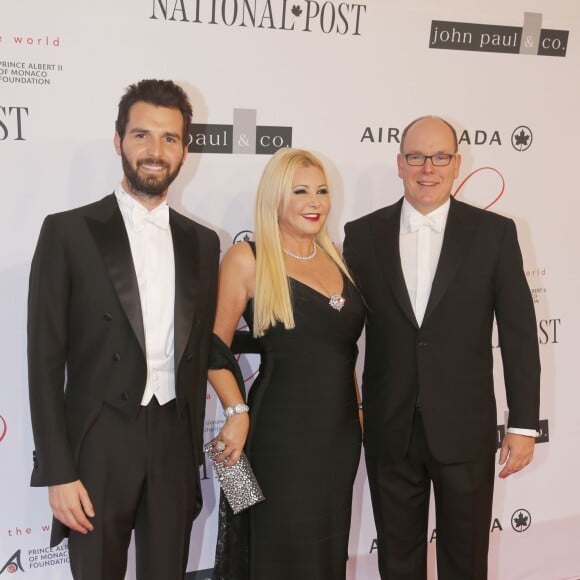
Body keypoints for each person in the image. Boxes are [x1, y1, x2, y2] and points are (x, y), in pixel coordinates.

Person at [27, 79, 219, 580]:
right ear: (119, 141)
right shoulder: (67, 232)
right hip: (98, 445)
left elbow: (203, 350)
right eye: (142, 136)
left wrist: (234, 412)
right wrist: (58, 471)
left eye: (169, 139)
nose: (155, 152)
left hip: (174, 444)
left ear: (185, 149)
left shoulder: (203, 243)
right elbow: (44, 363)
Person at [343, 116, 541, 580]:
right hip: (390, 428)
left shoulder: (494, 233)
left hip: (465, 429)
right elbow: (341, 329)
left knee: (466, 560)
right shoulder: (362, 234)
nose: (426, 168)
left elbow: (518, 331)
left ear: (456, 164)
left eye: (439, 157)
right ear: (399, 163)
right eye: (415, 156)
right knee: (398, 560)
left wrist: (525, 425)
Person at [207, 148, 364, 579]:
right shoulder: (247, 258)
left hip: (340, 437)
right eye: (300, 191)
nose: (315, 202)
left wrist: (359, 412)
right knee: (274, 551)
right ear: (275, 198)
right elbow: (211, 348)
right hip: (275, 435)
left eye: (322, 191)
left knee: (326, 553)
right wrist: (236, 412)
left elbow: (340, 350)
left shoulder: (336, 257)